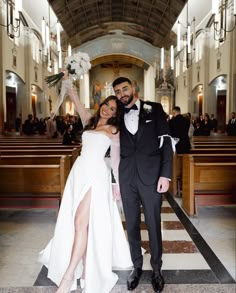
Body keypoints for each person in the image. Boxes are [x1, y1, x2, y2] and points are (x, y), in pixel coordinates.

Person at [38, 78, 132, 293]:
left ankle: (69, 276)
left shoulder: (114, 131)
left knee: (81, 222)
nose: (108, 110)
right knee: (79, 223)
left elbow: (116, 159)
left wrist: (116, 184)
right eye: (106, 106)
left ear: (116, 113)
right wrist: (67, 80)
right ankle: (86, 272)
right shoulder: (89, 121)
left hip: (97, 177)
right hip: (78, 173)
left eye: (113, 109)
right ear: (101, 106)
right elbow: (75, 98)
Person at [112, 77, 173, 293]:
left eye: (125, 88)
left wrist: (165, 176)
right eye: (117, 91)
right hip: (127, 178)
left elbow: (166, 142)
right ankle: (136, 266)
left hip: (151, 177)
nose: (122, 94)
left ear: (134, 87)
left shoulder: (154, 109)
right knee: (131, 225)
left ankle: (157, 269)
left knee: (154, 223)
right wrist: (114, 180)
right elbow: (112, 149)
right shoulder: (115, 115)